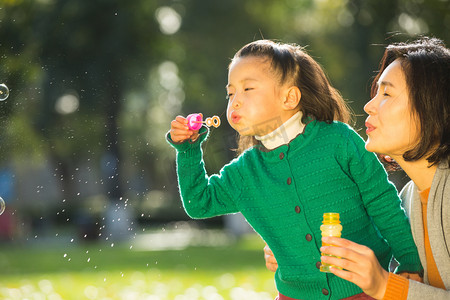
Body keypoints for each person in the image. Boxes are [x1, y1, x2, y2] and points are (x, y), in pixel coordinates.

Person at [167, 40, 422, 300]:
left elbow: (383, 202)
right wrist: (187, 150)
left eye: (247, 89)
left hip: (364, 291)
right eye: (230, 93)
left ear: (289, 97)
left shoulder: (339, 141)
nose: (235, 101)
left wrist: (411, 263)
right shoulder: (245, 172)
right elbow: (198, 202)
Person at [264, 37, 450, 299]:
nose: (369, 106)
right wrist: (296, 249)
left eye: (386, 93)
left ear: (431, 105)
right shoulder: (408, 200)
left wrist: (384, 285)